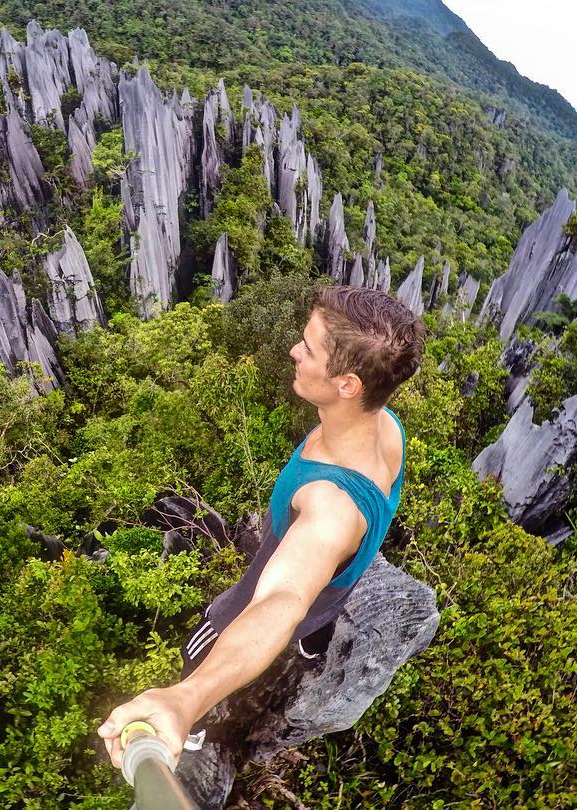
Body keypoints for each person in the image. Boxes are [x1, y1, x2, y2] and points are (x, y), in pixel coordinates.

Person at [98, 285, 426, 769]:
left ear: (348, 384)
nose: (295, 350)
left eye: (309, 348)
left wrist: (183, 700)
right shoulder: (386, 426)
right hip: (335, 590)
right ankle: (314, 642)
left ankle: (196, 726)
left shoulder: (329, 509)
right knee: (319, 611)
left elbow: (281, 601)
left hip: (261, 600)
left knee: (202, 648)